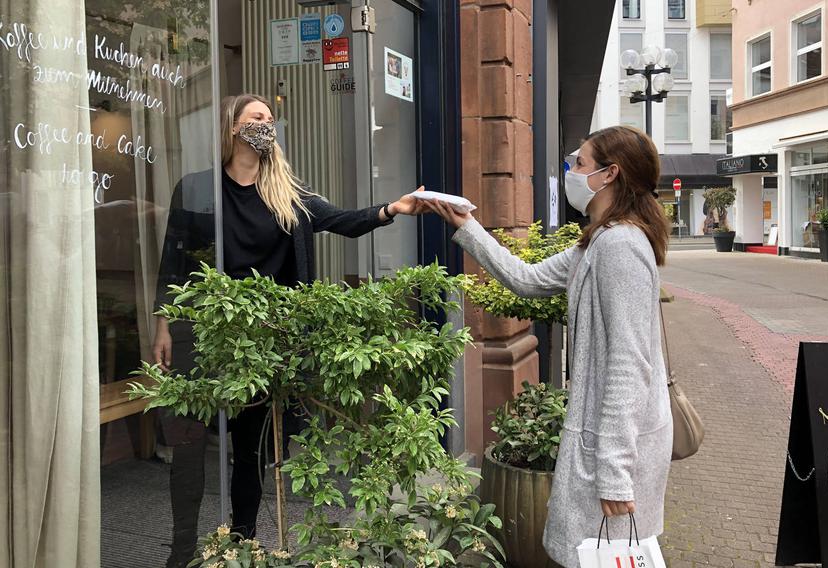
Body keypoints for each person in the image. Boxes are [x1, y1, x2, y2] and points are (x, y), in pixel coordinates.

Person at [152, 93, 426, 567]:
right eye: (257, 117)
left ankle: (241, 545)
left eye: (271, 119)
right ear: (234, 128)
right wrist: (162, 326)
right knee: (190, 448)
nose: (267, 124)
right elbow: (172, 263)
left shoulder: (288, 195)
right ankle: (181, 551)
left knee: (249, 449)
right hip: (204, 337)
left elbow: (344, 221)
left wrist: (392, 209)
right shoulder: (197, 190)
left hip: (263, 346)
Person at [426, 126, 672, 568]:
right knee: (588, 553)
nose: (571, 173)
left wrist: (614, 473)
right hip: (603, 438)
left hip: (614, 446)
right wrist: (468, 226)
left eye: (579, 163)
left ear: (609, 174)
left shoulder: (620, 246)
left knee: (598, 553)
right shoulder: (598, 240)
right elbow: (526, 278)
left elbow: (629, 363)